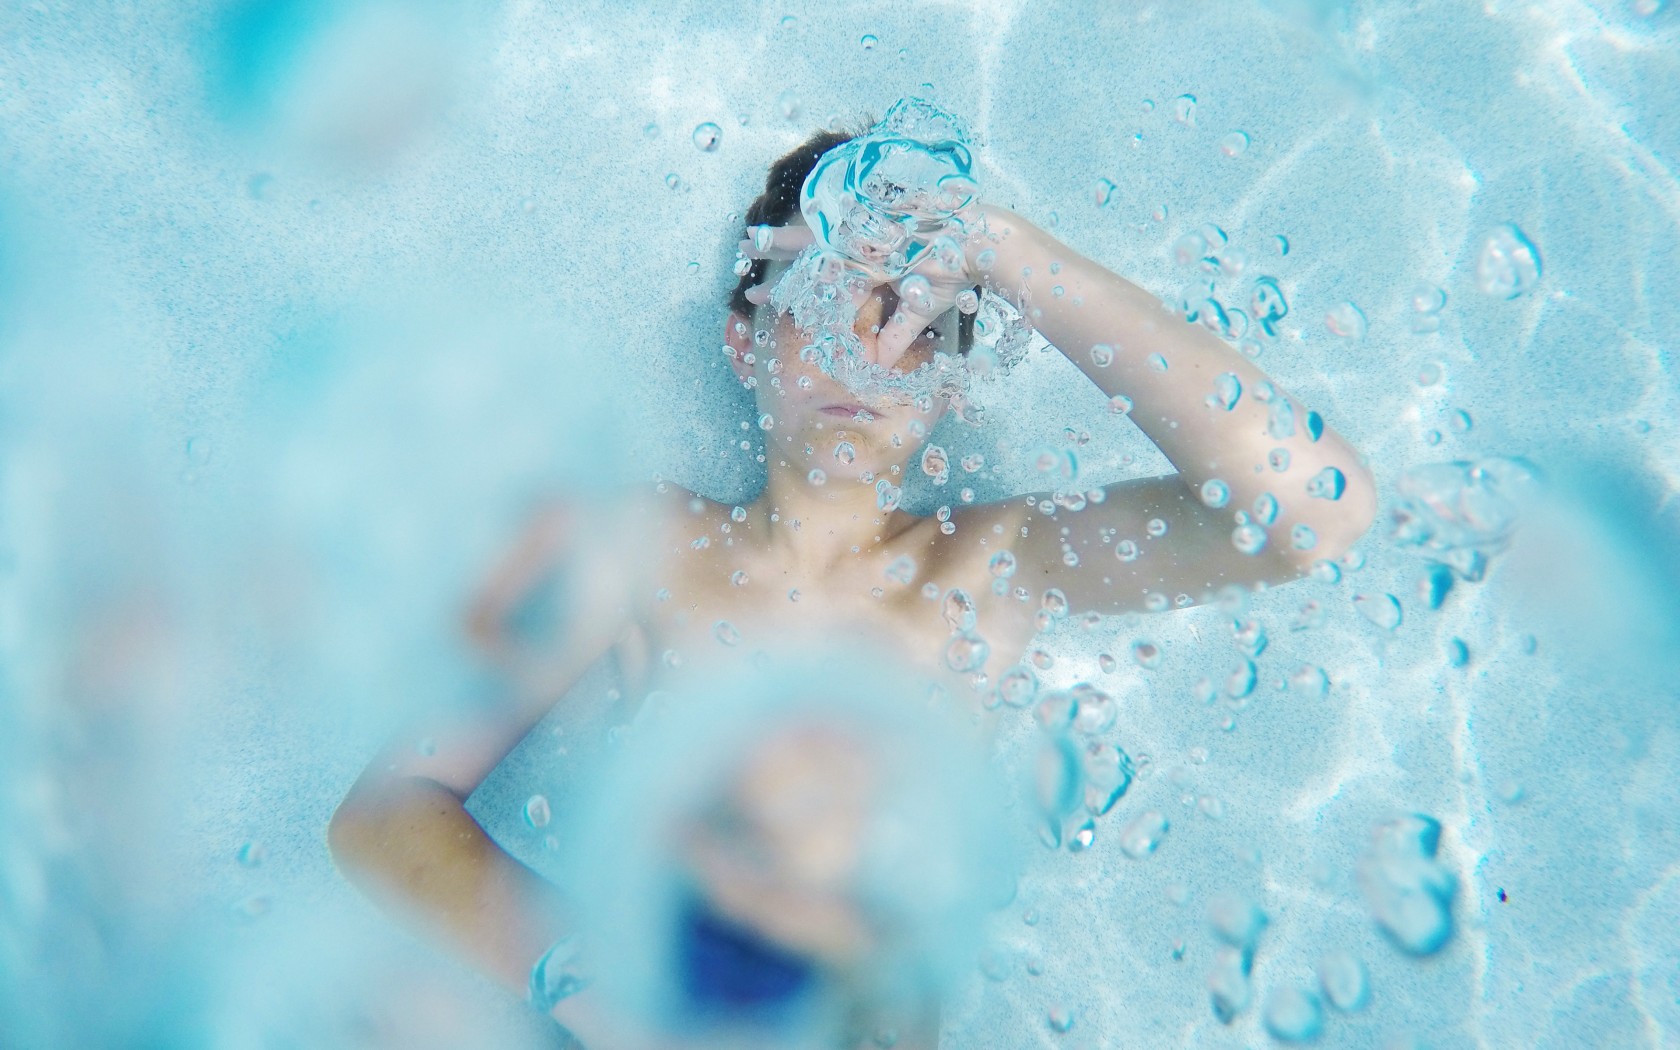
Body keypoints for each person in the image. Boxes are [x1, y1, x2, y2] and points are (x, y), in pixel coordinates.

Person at [327, 112, 1377, 1048]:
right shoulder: (638, 545)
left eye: (915, 314)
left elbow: (1312, 513)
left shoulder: (995, 569)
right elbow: (386, 813)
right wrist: (604, 993)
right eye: (825, 297)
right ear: (744, 342)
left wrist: (997, 248)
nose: (869, 348)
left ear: (952, 381)